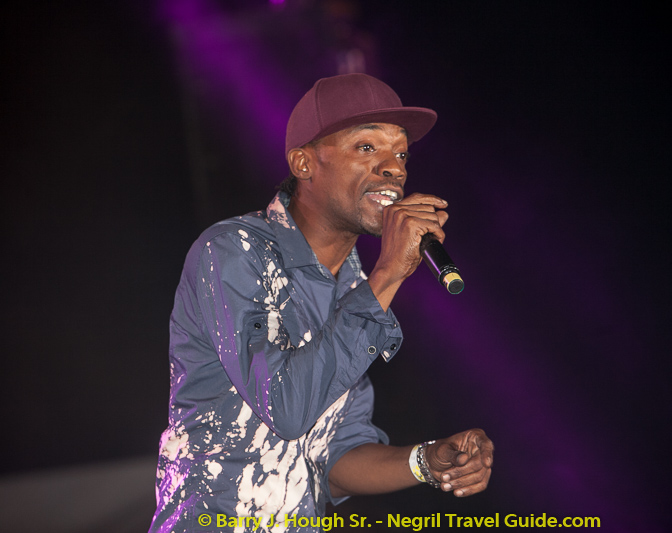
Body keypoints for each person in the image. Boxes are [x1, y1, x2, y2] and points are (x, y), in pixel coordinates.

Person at [149, 73, 493, 533]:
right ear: (304, 163)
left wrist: (427, 461)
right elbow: (286, 407)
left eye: (401, 153)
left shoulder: (353, 287)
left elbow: (334, 457)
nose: (394, 168)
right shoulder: (234, 252)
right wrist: (388, 274)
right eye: (367, 147)